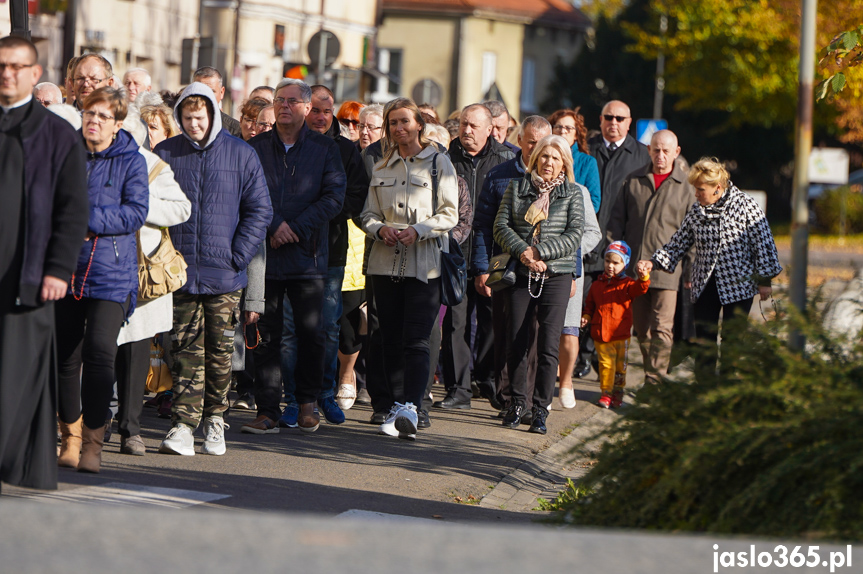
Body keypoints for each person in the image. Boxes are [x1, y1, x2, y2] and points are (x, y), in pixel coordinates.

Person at [153, 82, 271, 455]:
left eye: (200, 118)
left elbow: (260, 210)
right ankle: (184, 425)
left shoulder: (241, 154)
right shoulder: (165, 153)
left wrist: (238, 254)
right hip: (181, 271)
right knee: (185, 350)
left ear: (213, 115)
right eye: (186, 118)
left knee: (220, 353)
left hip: (225, 273)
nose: (193, 125)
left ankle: (216, 419)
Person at [0, 35, 88, 491]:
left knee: (17, 373)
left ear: (35, 75)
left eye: (17, 66)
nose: (7, 73)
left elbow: (73, 208)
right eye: (1, 65)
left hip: (30, 275)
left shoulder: (56, 134)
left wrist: (58, 267)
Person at [55, 87, 149, 473]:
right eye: (89, 114)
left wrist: (87, 219)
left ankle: (94, 442)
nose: (93, 121)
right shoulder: (66, 153)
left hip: (112, 272)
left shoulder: (132, 160)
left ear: (118, 124)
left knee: (99, 354)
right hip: (66, 266)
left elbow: (135, 212)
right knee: (65, 357)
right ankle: (70, 438)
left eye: (103, 116)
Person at [245, 78, 345, 434]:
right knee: (266, 334)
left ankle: (306, 403)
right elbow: (249, 194)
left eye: (291, 101)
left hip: (309, 256)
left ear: (305, 107)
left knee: (311, 334)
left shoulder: (324, 148)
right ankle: (267, 409)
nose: (284, 106)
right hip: (266, 257)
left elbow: (334, 198)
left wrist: (296, 228)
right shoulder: (255, 147)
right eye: (278, 100)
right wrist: (275, 225)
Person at [361, 97, 458, 440]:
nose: (399, 129)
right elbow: (367, 214)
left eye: (405, 122)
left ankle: (411, 408)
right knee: (387, 338)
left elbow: (450, 214)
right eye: (393, 123)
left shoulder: (439, 163)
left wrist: (418, 230)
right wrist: (379, 229)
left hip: (424, 264)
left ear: (419, 124)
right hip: (384, 263)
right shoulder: (381, 165)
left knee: (416, 339)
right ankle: (393, 406)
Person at [271, 84, 367, 428]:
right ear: (305, 111)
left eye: (327, 111)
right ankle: (295, 398)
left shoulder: (344, 150)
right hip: (286, 249)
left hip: (331, 251)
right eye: (316, 111)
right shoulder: (282, 146)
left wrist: (315, 215)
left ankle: (325, 393)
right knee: (289, 330)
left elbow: (353, 199)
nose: (321, 117)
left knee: (326, 327)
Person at [643, 158, 782, 379]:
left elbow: (763, 243)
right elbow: (678, 242)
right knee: (705, 340)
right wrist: (654, 261)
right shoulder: (697, 211)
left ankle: (726, 392)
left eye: (700, 190)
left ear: (717, 188)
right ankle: (703, 389)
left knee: (731, 340)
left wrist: (765, 281)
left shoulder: (745, 205)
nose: (696, 194)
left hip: (739, 285)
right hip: (706, 283)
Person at [493, 134, 584, 433]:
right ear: (535, 159)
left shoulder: (572, 194)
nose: (548, 162)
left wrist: (541, 252)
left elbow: (574, 235)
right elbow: (500, 225)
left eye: (555, 158)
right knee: (517, 340)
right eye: (544, 156)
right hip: (521, 272)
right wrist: (524, 253)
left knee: (547, 345)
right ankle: (518, 402)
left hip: (556, 274)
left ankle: (542, 408)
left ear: (563, 164)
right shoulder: (517, 187)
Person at [114, 105, 191, 456]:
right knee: (94, 351)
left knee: (134, 352)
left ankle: (130, 429)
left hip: (144, 274)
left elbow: (181, 208)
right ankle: (88, 421)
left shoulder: (153, 165)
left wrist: (141, 206)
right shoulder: (88, 161)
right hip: (99, 269)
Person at [607, 130, 695, 385]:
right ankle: (652, 374)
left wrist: (689, 271)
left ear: (676, 152)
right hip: (635, 269)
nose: (660, 155)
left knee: (662, 328)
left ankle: (655, 380)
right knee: (642, 331)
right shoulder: (633, 180)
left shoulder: (686, 187)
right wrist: (615, 255)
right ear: (648, 150)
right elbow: (616, 222)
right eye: (656, 149)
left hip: (669, 271)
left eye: (666, 151)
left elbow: (693, 233)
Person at [442, 103, 514, 409]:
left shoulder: (506, 161)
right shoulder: (445, 159)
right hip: (455, 254)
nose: (467, 130)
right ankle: (458, 388)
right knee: (455, 324)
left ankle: (487, 380)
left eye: (473, 126)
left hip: (494, 254)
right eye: (463, 124)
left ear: (490, 129)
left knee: (492, 322)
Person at [577, 99, 649, 379]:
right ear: (601, 119)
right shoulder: (588, 150)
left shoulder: (640, 155)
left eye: (620, 118)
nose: (614, 123)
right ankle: (582, 358)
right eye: (609, 117)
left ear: (629, 123)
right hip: (588, 240)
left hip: (619, 244)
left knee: (613, 305)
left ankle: (601, 358)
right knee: (587, 302)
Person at [581, 241, 650, 408]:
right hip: (601, 333)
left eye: (615, 262)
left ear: (625, 263)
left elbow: (640, 289)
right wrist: (587, 316)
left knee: (620, 367)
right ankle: (606, 393)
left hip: (621, 335)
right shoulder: (597, 285)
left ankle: (618, 393)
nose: (610, 266)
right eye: (607, 261)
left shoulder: (627, 285)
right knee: (606, 365)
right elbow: (590, 304)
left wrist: (644, 277)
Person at [548, 108, 600, 212]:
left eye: (568, 128)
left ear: (576, 134)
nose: (562, 131)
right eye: (558, 127)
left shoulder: (588, 162)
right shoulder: (542, 157)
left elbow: (594, 202)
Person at [192, 66, 242, 138]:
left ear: (221, 92)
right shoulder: (181, 124)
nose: (206, 96)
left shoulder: (235, 130)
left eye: (211, 91)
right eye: (201, 91)